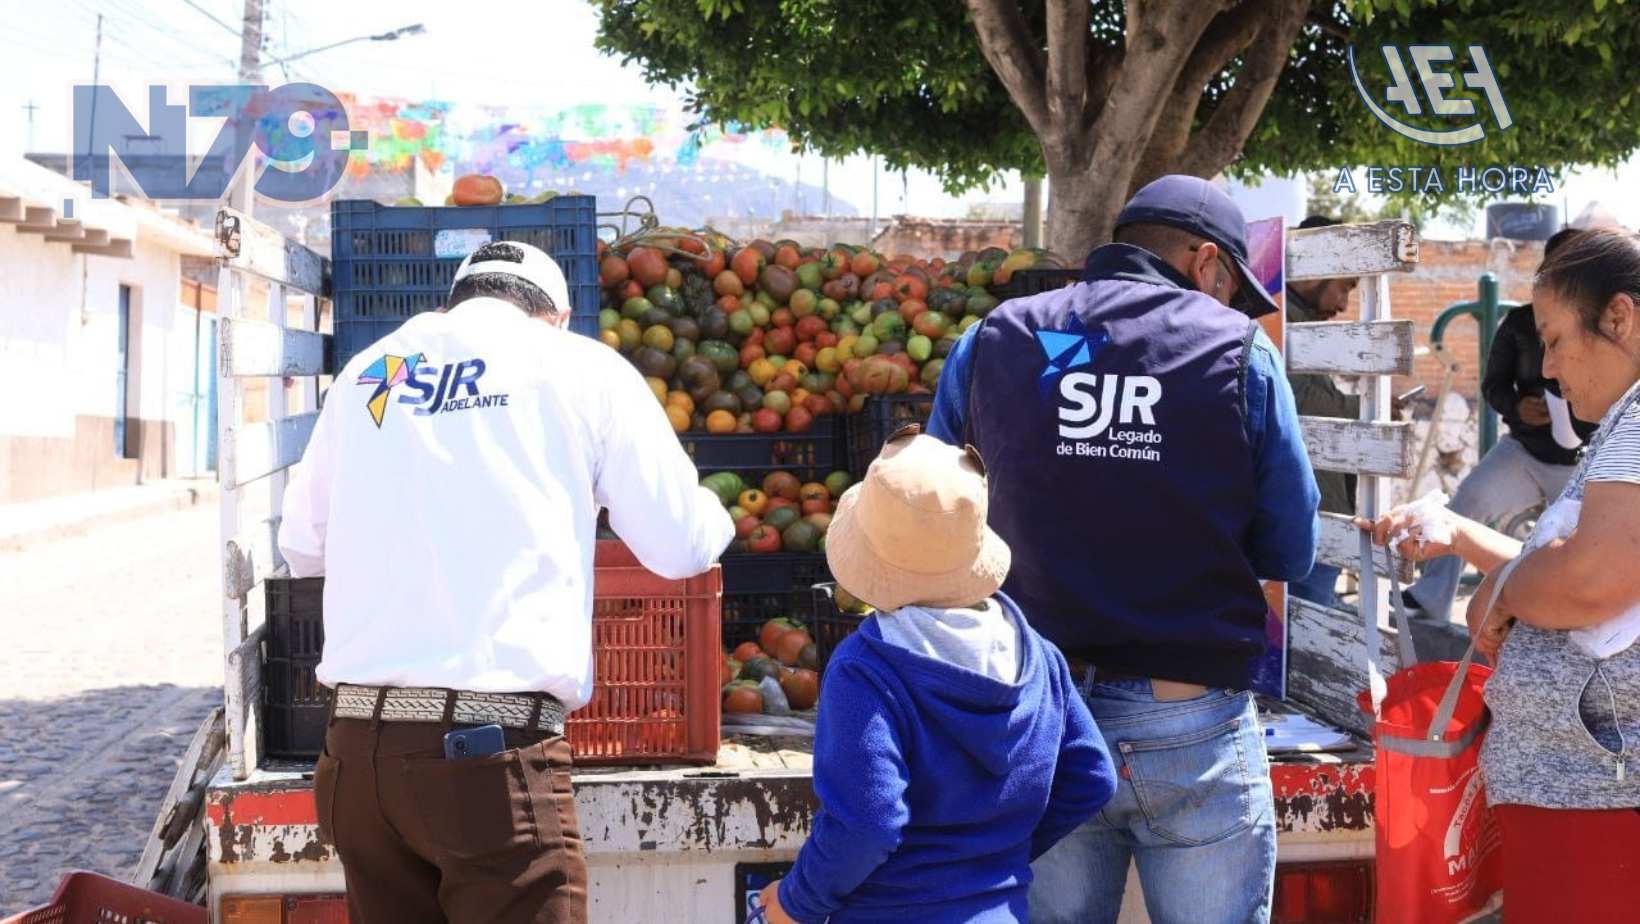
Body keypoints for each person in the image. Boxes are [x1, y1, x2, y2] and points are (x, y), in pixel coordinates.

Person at [278, 241, 734, 924]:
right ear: (557, 315)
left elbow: (303, 547)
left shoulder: (372, 374)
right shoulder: (576, 365)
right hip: (484, 766)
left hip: (356, 762)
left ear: (456, 300)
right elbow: (680, 546)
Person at [926, 175, 1320, 924]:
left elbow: (929, 507)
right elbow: (1291, 549)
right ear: (1208, 262)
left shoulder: (996, 338)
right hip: (1190, 720)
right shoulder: (1241, 353)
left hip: (1038, 713)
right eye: (1234, 287)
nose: (1232, 308)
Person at [1361, 228, 1640, 920]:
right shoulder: (1622, 420)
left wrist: (1500, 590)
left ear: (1620, 318)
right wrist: (1465, 540)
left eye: (1552, 338)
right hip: (1585, 790)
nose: (1545, 367)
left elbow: (1589, 580)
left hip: (1601, 794)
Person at [758, 431, 1116, 923]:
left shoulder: (866, 668)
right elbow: (1092, 777)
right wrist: (996, 860)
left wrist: (797, 902)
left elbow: (869, 822)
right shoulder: (1041, 657)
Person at [1403, 227, 1597, 620]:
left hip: (1585, 459)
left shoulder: (1604, 326)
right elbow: (1492, 385)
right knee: (1467, 501)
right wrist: (1517, 407)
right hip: (1526, 450)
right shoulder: (1519, 324)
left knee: (1587, 544)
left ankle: (1576, 619)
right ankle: (1432, 596)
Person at [1285, 215, 1361, 608]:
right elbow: (1296, 398)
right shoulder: (1284, 322)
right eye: (1344, 287)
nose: (1344, 305)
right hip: (1310, 511)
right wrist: (1364, 407)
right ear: (1321, 267)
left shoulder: (1298, 321)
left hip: (1314, 506)